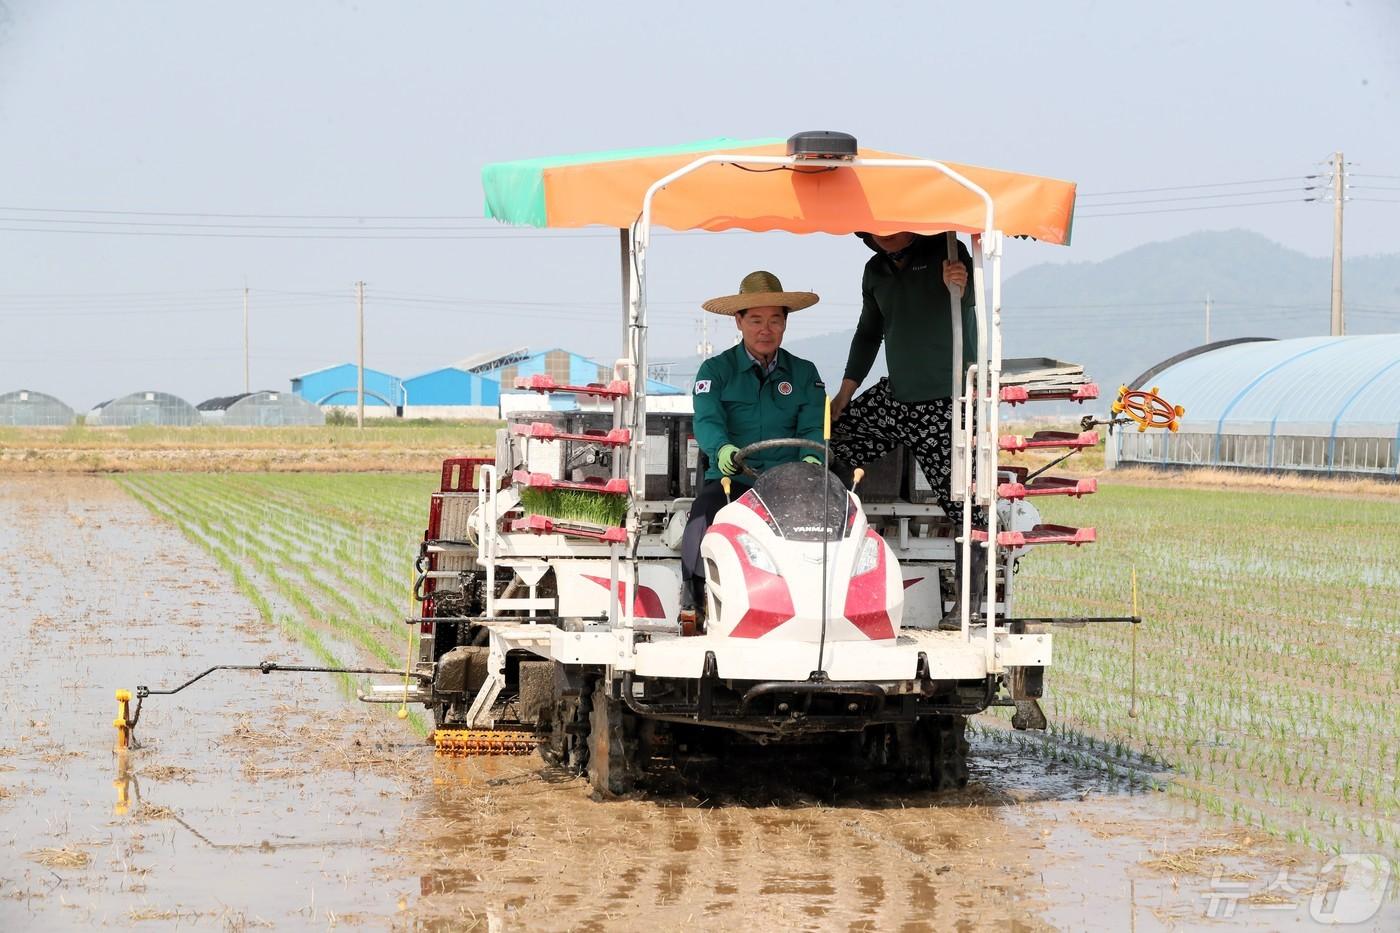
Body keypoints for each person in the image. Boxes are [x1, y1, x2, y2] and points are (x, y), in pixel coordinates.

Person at [681, 270, 826, 622]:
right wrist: (723, 450)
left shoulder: (805, 373)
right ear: (739, 321)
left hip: (793, 485)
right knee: (701, 518)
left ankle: (823, 607)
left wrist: (810, 458)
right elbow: (708, 421)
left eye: (775, 320)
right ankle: (694, 603)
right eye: (756, 319)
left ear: (786, 324)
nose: (766, 329)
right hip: (735, 481)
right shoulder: (714, 371)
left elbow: (814, 426)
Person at [830, 231, 983, 529]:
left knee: (965, 509)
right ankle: (836, 521)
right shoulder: (875, 270)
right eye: (878, 225)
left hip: (947, 405)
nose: (885, 233)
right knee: (828, 440)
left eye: (894, 223)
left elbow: (972, 298)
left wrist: (960, 285)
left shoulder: (947, 248)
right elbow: (868, 333)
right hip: (896, 400)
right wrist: (844, 394)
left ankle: (979, 568)